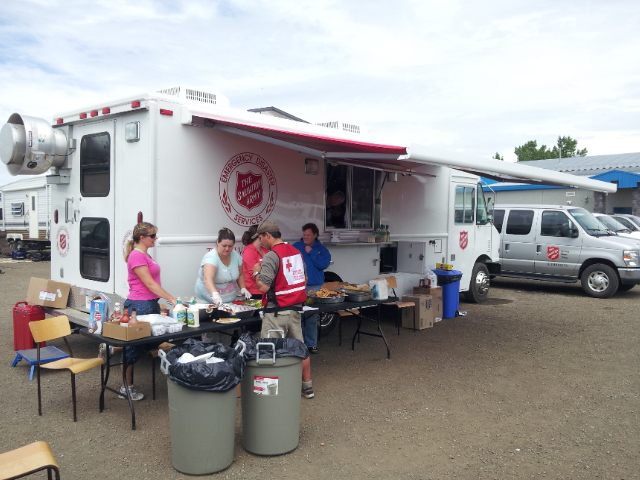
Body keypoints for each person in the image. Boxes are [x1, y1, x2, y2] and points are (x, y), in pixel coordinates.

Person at [113, 222, 177, 401]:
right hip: (140, 306)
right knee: (133, 348)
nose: (155, 238)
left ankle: (113, 347)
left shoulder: (144, 254)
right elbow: (149, 283)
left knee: (152, 342)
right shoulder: (136, 256)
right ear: (142, 238)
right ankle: (126, 387)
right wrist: (171, 299)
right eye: (152, 236)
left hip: (150, 304)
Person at [252, 220, 315, 399]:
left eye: (261, 238)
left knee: (269, 351)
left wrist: (257, 272)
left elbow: (263, 287)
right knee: (300, 349)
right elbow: (303, 280)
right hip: (295, 310)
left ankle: (270, 393)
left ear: (268, 235)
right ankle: (307, 387)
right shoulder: (296, 252)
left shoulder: (271, 256)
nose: (261, 243)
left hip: (276, 312)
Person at [293, 223, 331, 354]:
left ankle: (311, 344)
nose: (305, 237)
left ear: (315, 235)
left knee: (311, 317)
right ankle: (299, 344)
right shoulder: (297, 246)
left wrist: (312, 252)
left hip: (314, 287)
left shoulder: (322, 249)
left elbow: (324, 264)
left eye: (308, 235)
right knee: (298, 316)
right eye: (304, 234)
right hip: (298, 286)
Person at [194, 227, 252, 305]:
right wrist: (215, 294)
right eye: (224, 246)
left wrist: (243, 288)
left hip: (229, 301)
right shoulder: (211, 258)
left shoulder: (236, 256)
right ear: (217, 242)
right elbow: (207, 279)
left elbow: (240, 274)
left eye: (230, 246)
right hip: (208, 301)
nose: (227, 249)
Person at [241, 225, 269, 299]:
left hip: (266, 290)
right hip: (254, 292)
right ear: (259, 236)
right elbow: (253, 274)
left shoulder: (265, 250)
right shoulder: (249, 251)